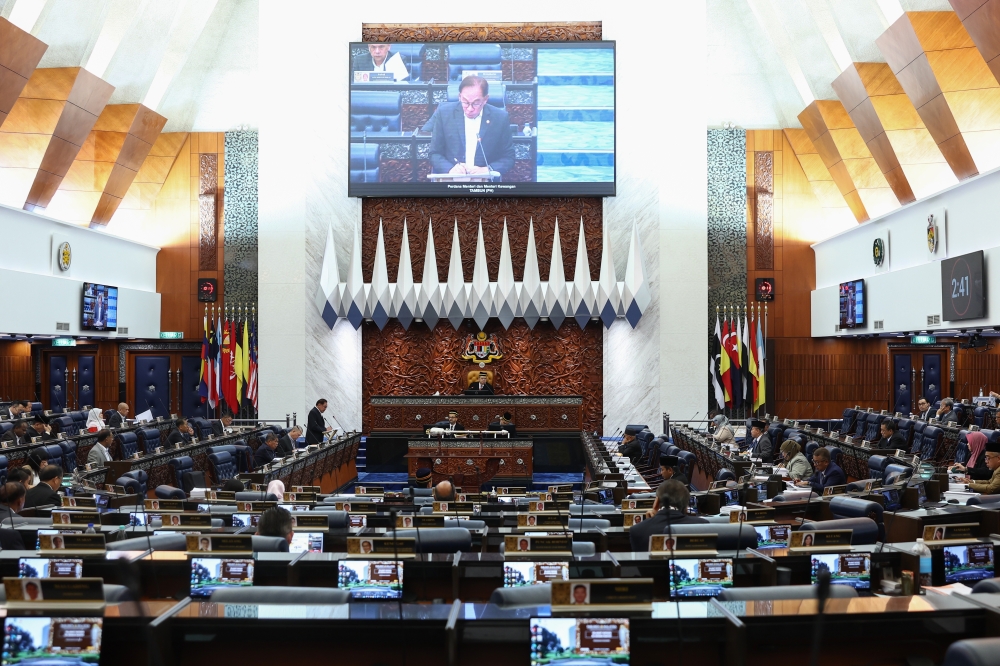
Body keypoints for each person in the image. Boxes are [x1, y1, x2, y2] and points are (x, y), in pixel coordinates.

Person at [428, 76, 516, 178]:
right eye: (465, 102)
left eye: (476, 103)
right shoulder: (444, 114)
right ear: (459, 96)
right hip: (452, 180)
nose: (469, 109)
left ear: (485, 99)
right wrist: (450, 169)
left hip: (484, 181)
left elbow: (509, 157)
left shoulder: (500, 118)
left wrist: (488, 169)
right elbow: (434, 153)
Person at [628, 480, 709, 552]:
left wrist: (648, 522)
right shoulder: (703, 526)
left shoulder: (637, 530)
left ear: (656, 502)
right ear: (686, 508)